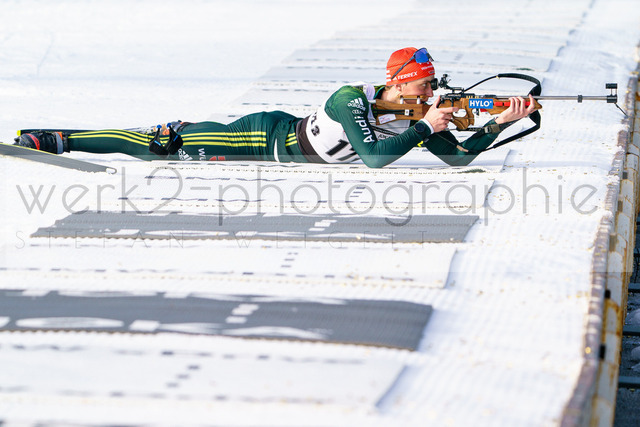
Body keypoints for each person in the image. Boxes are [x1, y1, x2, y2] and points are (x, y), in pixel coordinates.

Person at [15, 47, 536, 168]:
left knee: (170, 145)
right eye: (423, 85)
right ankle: (58, 138)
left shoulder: (416, 114)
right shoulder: (350, 98)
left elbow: (460, 157)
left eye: (431, 85)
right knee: (163, 145)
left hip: (286, 141)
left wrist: (497, 123)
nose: (430, 93)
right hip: (263, 138)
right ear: (399, 83)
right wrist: (426, 126)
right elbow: (375, 159)